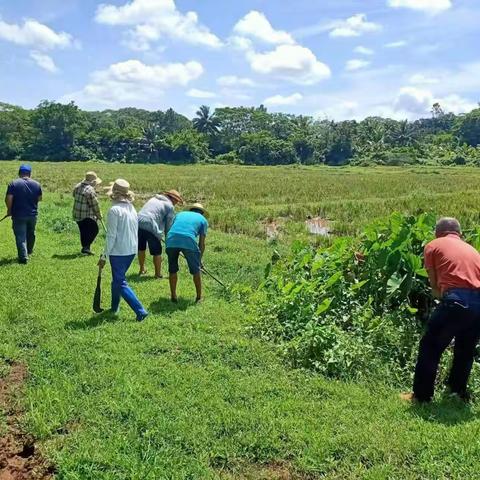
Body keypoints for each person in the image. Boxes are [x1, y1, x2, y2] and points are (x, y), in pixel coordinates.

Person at [401, 217, 480, 403]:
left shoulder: (433, 245)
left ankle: (421, 396)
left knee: (430, 347)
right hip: (479, 302)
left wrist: (442, 299)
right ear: (459, 234)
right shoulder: (472, 249)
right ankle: (457, 392)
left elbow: (435, 288)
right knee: (465, 349)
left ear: (438, 232)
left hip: (456, 300)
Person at [97, 179, 148, 322]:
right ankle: (114, 307)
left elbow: (111, 236)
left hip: (118, 251)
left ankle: (140, 310)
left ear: (113, 194)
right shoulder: (131, 208)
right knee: (117, 280)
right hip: (131, 250)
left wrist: (103, 255)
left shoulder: (114, 211)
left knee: (120, 282)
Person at [166, 203, 208, 303]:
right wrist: (199, 261)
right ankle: (198, 297)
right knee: (195, 271)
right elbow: (201, 243)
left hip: (171, 239)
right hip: (188, 240)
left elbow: (173, 228)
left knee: (172, 270)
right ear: (202, 213)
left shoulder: (180, 214)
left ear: (191, 210)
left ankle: (173, 296)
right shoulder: (203, 220)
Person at [137, 190, 184, 278]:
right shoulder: (169, 206)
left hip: (138, 220)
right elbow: (168, 227)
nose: (176, 203)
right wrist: (168, 242)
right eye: (176, 201)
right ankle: (158, 275)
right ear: (173, 199)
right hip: (150, 223)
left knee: (141, 247)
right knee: (157, 251)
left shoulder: (154, 198)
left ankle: (142, 269)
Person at [4, 164, 42, 264]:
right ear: (30, 173)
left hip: (18, 214)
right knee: (31, 233)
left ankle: (23, 257)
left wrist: (9, 210)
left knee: (20, 236)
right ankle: (29, 251)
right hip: (32, 214)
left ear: (19, 173)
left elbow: (8, 198)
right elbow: (39, 199)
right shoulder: (37, 184)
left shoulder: (13, 184)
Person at [72, 171, 103, 255]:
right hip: (86, 215)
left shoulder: (78, 186)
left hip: (77, 213)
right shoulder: (90, 190)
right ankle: (86, 248)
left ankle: (86, 249)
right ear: (92, 182)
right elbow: (95, 204)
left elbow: (74, 194)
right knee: (94, 230)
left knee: (84, 231)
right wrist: (99, 215)